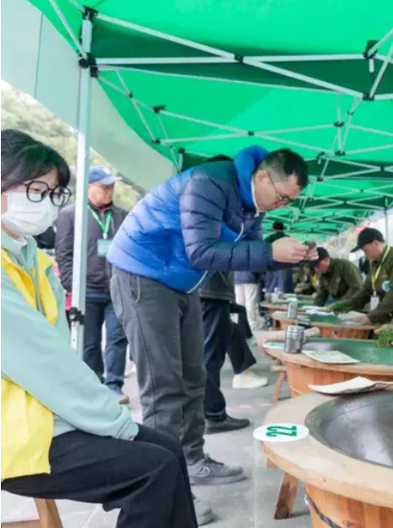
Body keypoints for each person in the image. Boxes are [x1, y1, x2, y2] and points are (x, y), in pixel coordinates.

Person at [0, 130, 201, 528]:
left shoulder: (30, 259)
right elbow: (43, 360)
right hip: (15, 431)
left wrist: (97, 417)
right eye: (36, 189)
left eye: (54, 192)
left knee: (167, 449)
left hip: (41, 415)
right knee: (152, 470)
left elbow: (52, 358)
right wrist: (110, 421)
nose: (46, 203)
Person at [107, 145, 315, 512]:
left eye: (289, 201)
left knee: (194, 376)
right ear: (263, 176)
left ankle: (190, 462)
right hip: (143, 272)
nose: (282, 205)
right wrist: (269, 252)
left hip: (182, 281)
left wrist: (288, 255)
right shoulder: (209, 182)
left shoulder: (252, 204)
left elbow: (248, 253)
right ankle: (163, 498)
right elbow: (202, 251)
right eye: (282, 196)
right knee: (163, 386)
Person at [55, 166, 130, 404]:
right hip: (85, 290)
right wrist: (71, 285)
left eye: (112, 186)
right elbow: (63, 253)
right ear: (89, 187)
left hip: (116, 288)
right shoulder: (70, 215)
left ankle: (114, 385)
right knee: (89, 342)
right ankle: (94, 384)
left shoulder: (122, 216)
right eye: (104, 187)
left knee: (118, 338)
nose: (109, 191)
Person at [199, 271, 268, 435]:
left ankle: (210, 413)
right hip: (210, 290)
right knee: (211, 354)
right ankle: (213, 416)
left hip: (206, 289)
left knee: (228, 333)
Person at [333, 227, 393, 325]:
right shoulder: (374, 262)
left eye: (366, 251)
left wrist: (370, 317)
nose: (365, 255)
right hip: (387, 314)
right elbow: (365, 291)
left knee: (380, 336)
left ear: (375, 243)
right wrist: (344, 306)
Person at [262, 221, 294, 295]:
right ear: (283, 228)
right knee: (284, 286)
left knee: (271, 286)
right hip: (286, 265)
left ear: (274, 229)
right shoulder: (288, 238)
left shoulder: (269, 238)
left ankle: (269, 298)